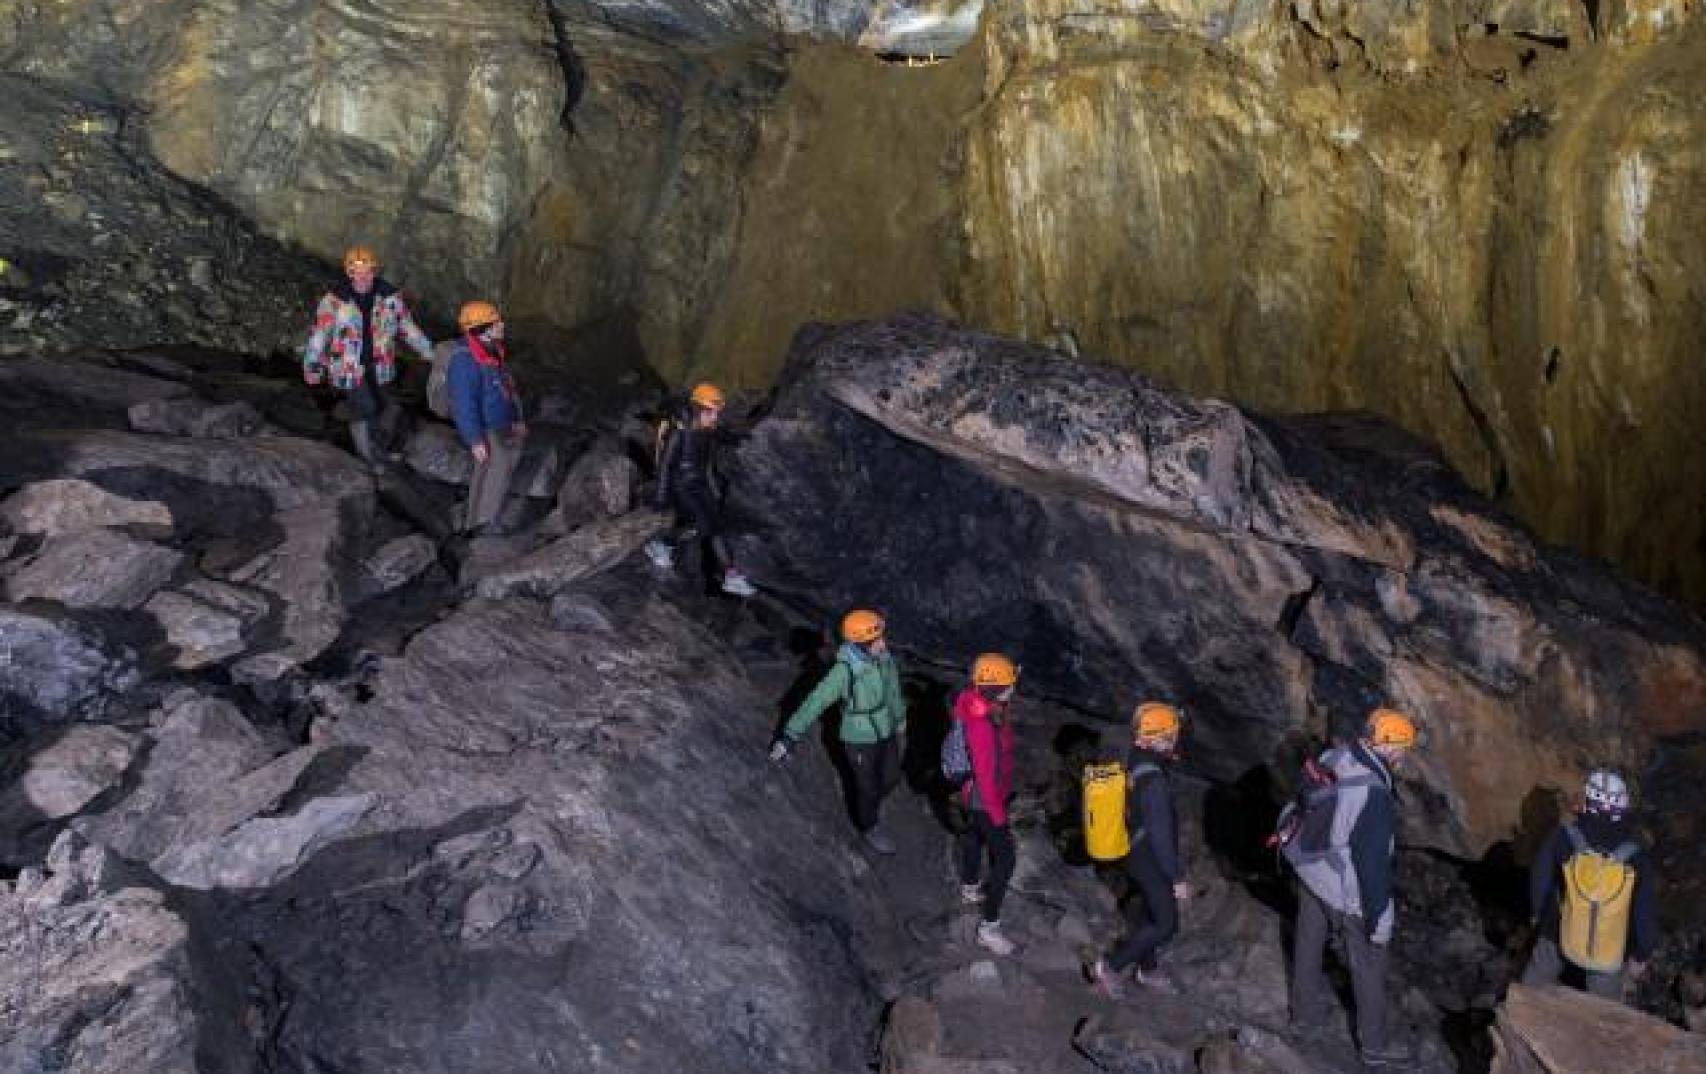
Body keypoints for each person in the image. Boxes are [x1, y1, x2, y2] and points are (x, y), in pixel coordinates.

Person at [1287, 708, 1417, 1069]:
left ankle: (1303, 1020)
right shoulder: (1375, 794)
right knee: (1370, 962)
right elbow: (1372, 867)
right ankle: (1374, 1046)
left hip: (1310, 865)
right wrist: (1380, 918)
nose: (1405, 756)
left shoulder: (1337, 754)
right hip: (1340, 880)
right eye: (1404, 749)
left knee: (1308, 943)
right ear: (1390, 748)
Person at [769, 609, 907, 854]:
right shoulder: (844, 671)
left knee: (891, 777)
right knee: (868, 787)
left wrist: (898, 717)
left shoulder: (884, 658)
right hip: (859, 737)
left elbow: (893, 689)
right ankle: (869, 826)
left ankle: (869, 800)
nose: (882, 643)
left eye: (881, 637)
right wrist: (790, 736)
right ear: (862, 644)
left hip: (884, 727)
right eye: (876, 640)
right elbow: (817, 701)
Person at [1520, 768, 1656, 1003]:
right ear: (1622, 807)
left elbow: (1539, 880)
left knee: (1530, 991)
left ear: (1588, 801)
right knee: (1605, 1015)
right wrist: (1641, 954)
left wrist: (1539, 916)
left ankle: (1520, 1011)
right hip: (1609, 951)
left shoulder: (1562, 838)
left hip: (1558, 934)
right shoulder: (1636, 857)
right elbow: (1643, 912)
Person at [302, 245, 435, 471]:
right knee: (365, 406)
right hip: (347, 366)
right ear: (349, 273)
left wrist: (429, 351)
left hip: (380, 364)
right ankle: (365, 458)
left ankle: (376, 449)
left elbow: (406, 327)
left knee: (382, 405)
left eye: (368, 271)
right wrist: (312, 365)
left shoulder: (389, 297)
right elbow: (320, 334)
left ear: (374, 271)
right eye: (356, 272)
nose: (363, 277)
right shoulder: (334, 300)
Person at [1086, 702, 1188, 996]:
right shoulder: (1153, 779)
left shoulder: (1135, 757)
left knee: (1148, 910)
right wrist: (1176, 877)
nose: (1176, 739)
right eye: (1172, 734)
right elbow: (1160, 837)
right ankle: (1110, 967)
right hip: (1147, 856)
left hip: (1132, 848)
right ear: (1161, 738)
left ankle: (1148, 969)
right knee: (1166, 924)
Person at [644, 383, 757, 597]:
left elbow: (719, 434)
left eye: (716, 413)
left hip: (699, 485)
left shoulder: (706, 428)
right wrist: (662, 497)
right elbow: (666, 466)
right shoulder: (679, 433)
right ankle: (661, 545)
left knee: (716, 527)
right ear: (698, 410)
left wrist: (738, 439)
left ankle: (731, 575)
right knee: (701, 526)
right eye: (711, 412)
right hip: (681, 487)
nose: (715, 417)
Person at [954, 653, 1021, 956]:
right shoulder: (980, 724)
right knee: (1005, 859)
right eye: (1009, 683)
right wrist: (998, 816)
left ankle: (970, 888)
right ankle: (988, 929)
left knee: (974, 837)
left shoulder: (982, 705)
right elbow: (984, 774)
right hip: (984, 800)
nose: (1013, 687)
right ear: (996, 687)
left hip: (977, 797)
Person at [446, 300, 526, 535]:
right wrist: (474, 439)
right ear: (482, 328)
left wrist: (517, 419)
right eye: (496, 322)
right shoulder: (464, 361)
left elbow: (507, 388)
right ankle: (484, 525)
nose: (501, 324)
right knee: (497, 471)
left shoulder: (492, 350)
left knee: (486, 471)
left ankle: (474, 523)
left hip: (501, 422)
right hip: (486, 427)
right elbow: (463, 404)